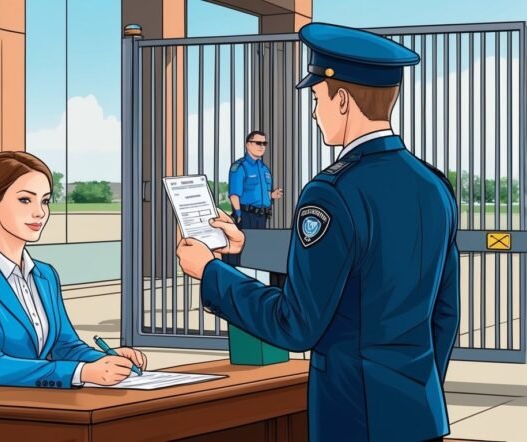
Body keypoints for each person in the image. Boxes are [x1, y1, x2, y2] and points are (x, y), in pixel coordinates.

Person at [176, 23, 459, 442]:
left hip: (354, 418)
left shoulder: (331, 191)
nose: (314, 112)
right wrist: (243, 247)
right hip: (420, 414)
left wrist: (212, 273)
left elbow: (296, 324)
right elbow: (445, 312)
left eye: (316, 99)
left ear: (341, 100)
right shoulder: (434, 186)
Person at [0, 151, 147, 389]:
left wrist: (107, 360)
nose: (40, 212)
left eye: (45, 201)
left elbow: (65, 346)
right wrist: (82, 372)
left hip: (33, 401)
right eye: (26, 200)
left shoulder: (45, 275)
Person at [223, 131, 283, 266]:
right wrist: (238, 214)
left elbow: (260, 194)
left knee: (257, 251)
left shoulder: (264, 169)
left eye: (264, 143)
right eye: (258, 143)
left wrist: (272, 195)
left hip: (261, 216)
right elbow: (234, 194)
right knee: (244, 251)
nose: (262, 146)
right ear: (247, 145)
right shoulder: (240, 167)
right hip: (245, 215)